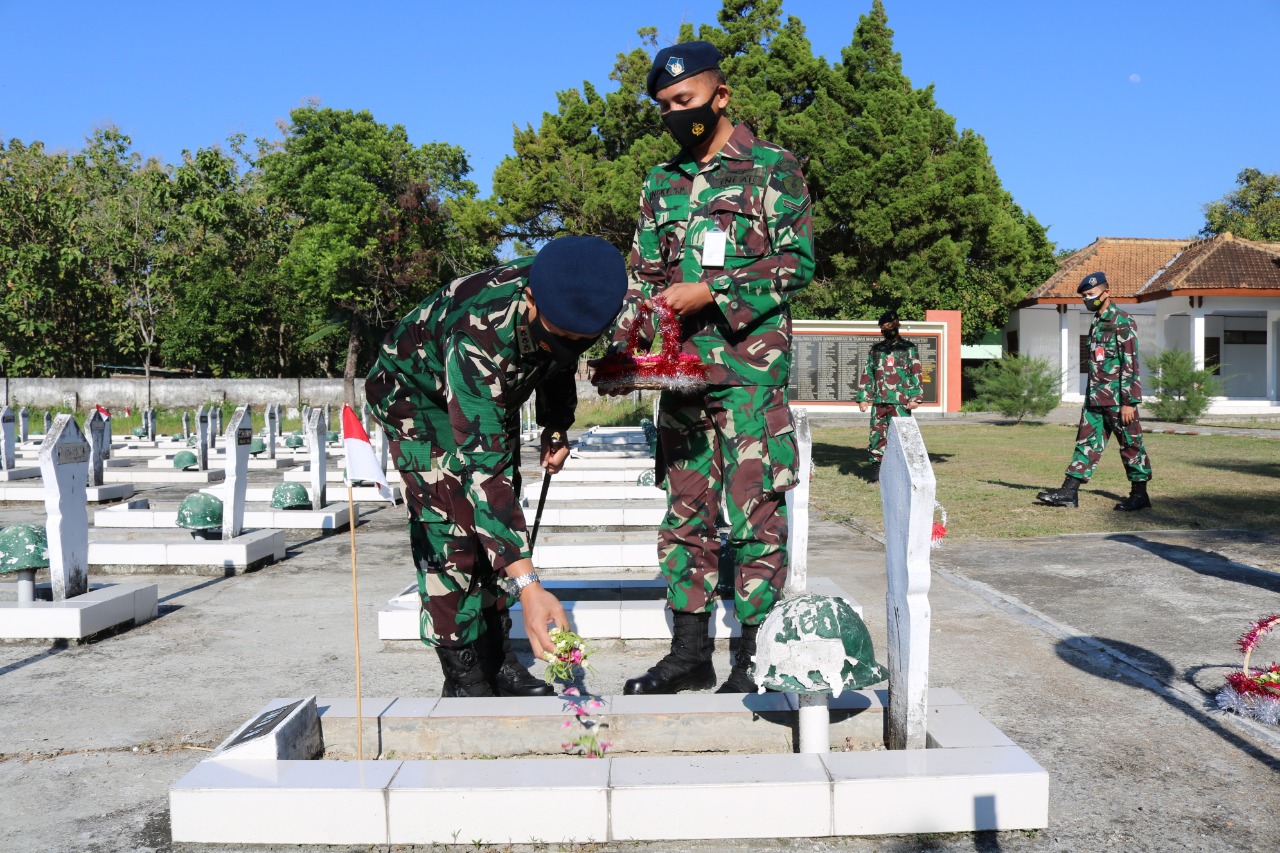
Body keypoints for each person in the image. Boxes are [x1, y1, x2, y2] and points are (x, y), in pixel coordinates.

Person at [606, 41, 815, 695]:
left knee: (755, 512)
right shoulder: (660, 182)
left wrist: (713, 293)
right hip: (682, 377)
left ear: (720, 97)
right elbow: (643, 275)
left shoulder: (772, 169)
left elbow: (796, 262)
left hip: (750, 373)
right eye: (664, 106)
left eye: (685, 101)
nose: (674, 114)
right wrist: (630, 343)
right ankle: (689, 653)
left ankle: (755, 658)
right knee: (684, 514)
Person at [366, 236, 628, 697]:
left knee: (496, 517)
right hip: (415, 396)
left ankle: (495, 654)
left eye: (580, 339)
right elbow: (483, 471)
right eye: (560, 333)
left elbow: (557, 361)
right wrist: (530, 586)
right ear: (529, 299)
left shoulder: (571, 292)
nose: (569, 344)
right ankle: (463, 670)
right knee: (451, 523)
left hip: (490, 398)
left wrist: (555, 425)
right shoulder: (478, 335)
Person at [1037, 271, 1152, 511]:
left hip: (1119, 400)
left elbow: (1130, 361)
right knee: (1085, 442)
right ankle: (1069, 492)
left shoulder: (1122, 321)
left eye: (1091, 294)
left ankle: (1140, 495)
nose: (1088, 299)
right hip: (1095, 399)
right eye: (1084, 296)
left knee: (1131, 444)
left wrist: (1129, 401)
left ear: (1106, 292)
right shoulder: (1096, 323)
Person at [855, 309, 923, 481]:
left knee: (903, 435)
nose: (887, 329)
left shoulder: (908, 349)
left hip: (900, 402)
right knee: (877, 435)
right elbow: (868, 373)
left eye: (889, 326)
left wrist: (915, 398)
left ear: (896, 326)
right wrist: (863, 398)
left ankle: (905, 470)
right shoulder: (876, 350)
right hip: (879, 401)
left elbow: (915, 373)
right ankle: (877, 469)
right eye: (884, 327)